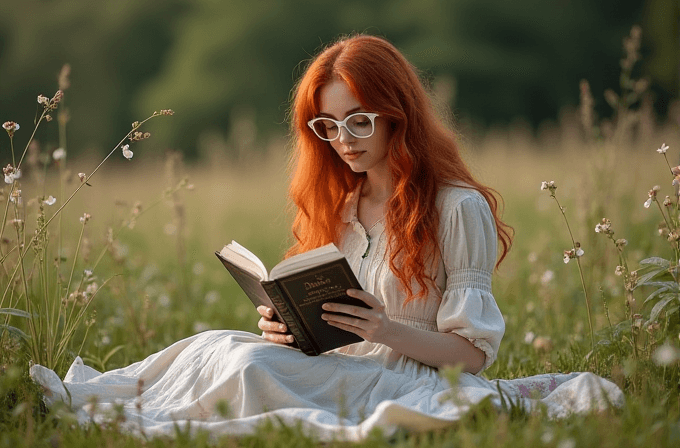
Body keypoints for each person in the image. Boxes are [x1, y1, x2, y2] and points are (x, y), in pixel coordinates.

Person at [30, 34, 623, 442]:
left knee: (247, 369)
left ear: (399, 114)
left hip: (406, 378)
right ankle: (110, 406)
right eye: (328, 124)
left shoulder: (455, 207)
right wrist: (286, 324)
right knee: (219, 344)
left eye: (359, 120)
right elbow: (325, 325)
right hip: (335, 371)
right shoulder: (340, 207)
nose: (343, 138)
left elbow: (473, 356)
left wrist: (383, 328)